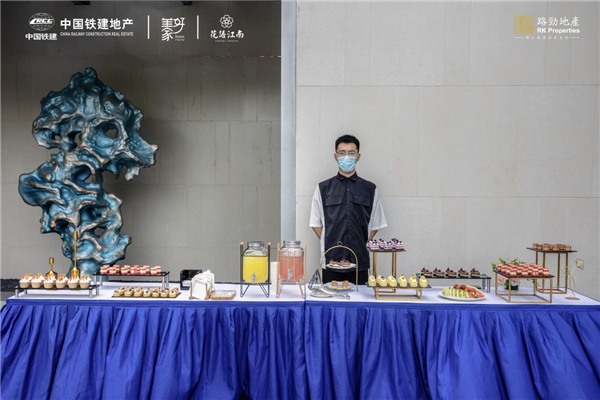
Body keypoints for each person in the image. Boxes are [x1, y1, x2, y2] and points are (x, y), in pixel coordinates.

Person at [309, 134, 387, 284]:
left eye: (351, 153)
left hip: (359, 262)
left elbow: (375, 224)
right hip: (331, 260)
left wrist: (360, 242)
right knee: (331, 297)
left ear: (358, 157)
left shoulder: (370, 189)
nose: (347, 157)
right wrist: (331, 240)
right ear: (335, 157)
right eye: (342, 153)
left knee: (360, 297)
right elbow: (315, 223)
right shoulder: (322, 188)